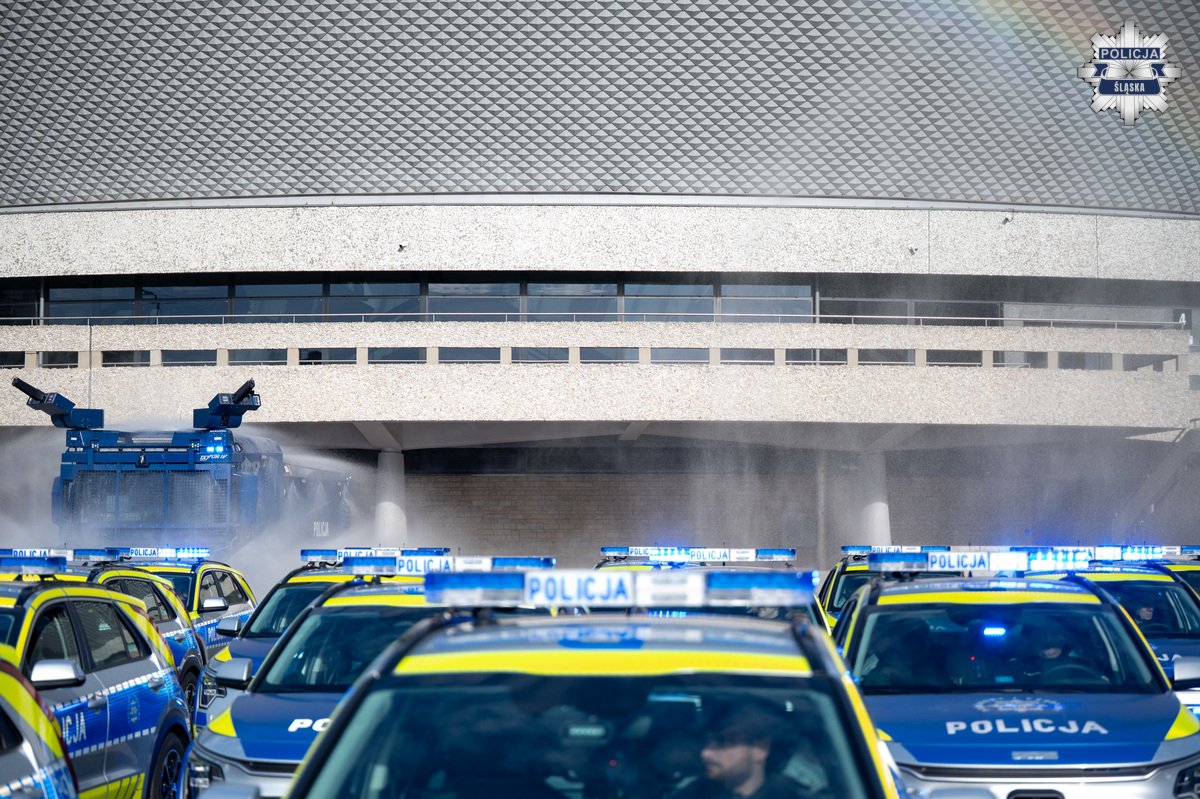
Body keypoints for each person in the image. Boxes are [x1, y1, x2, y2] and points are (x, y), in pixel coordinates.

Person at [672, 704, 807, 799]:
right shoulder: (689, 795)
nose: (705, 753)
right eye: (706, 741)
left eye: (724, 741)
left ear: (760, 749)